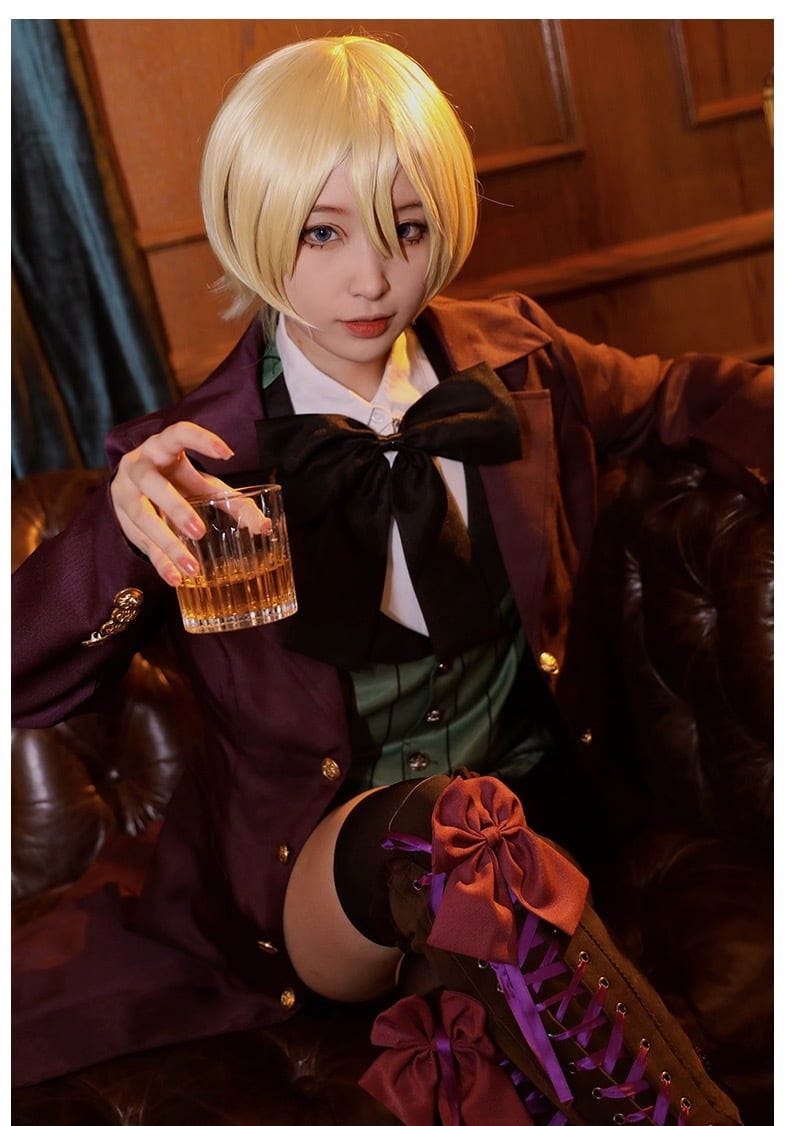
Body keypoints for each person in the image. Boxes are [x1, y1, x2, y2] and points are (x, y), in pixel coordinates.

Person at [12, 34, 770, 1124]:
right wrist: (115, 533)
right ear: (253, 223)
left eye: (406, 229)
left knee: (488, 875)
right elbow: (25, 678)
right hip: (321, 884)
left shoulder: (521, 367)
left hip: (543, 817)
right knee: (449, 833)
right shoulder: (192, 461)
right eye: (320, 233)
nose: (370, 278)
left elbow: (681, 394)